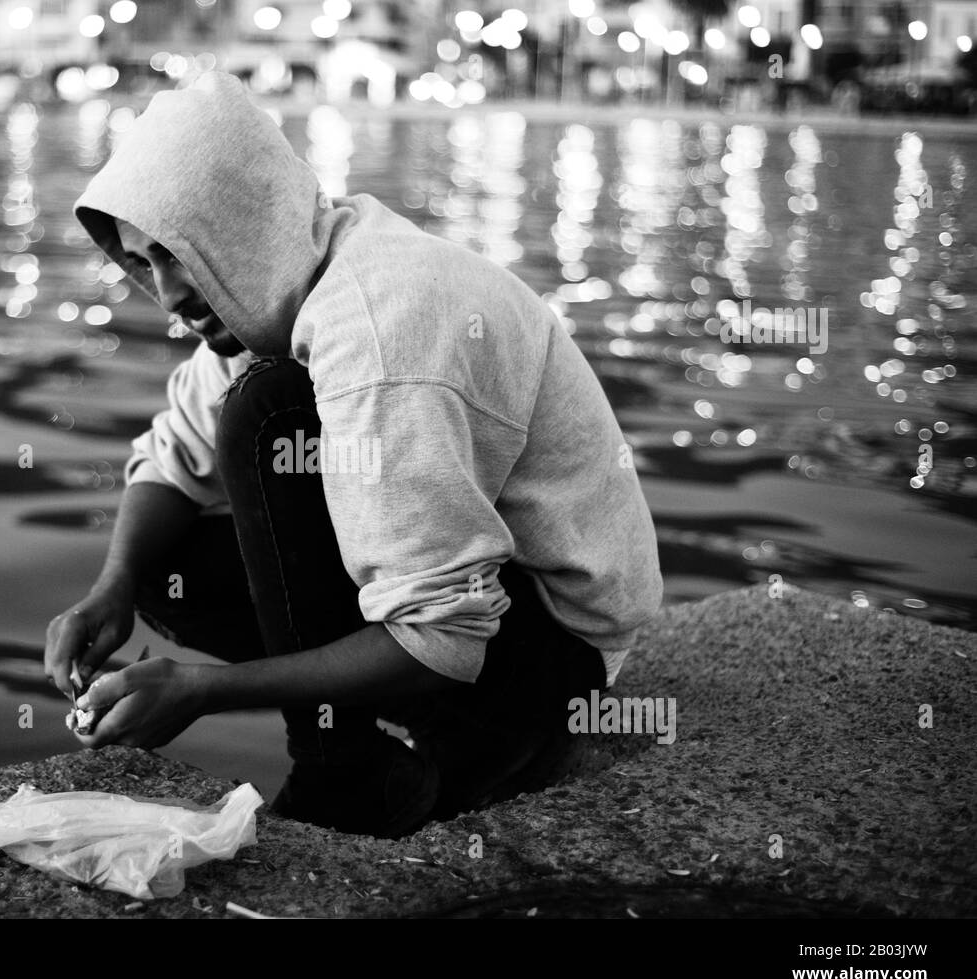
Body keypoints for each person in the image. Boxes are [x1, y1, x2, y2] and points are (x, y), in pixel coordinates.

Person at [44, 71, 662, 838]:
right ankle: (392, 739)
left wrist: (201, 691)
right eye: (142, 263)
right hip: (483, 612)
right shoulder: (270, 286)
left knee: (266, 415)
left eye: (176, 254)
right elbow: (175, 455)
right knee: (169, 572)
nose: (166, 294)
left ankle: (357, 769)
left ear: (238, 224)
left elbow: (444, 634)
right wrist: (111, 587)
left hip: (551, 651)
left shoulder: (382, 324)